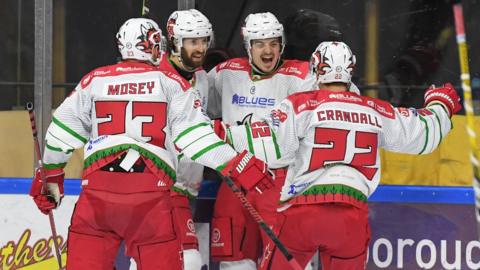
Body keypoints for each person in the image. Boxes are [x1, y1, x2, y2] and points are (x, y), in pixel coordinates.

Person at [28, 17, 273, 270]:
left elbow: (60, 134)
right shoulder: (171, 83)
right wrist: (237, 163)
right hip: (151, 197)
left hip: (97, 194)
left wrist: (51, 177)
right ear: (156, 46)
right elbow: (197, 138)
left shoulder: (94, 80)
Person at [223, 41, 461, 269]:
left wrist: (219, 133)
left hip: (302, 213)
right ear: (350, 69)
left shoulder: (301, 104)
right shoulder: (375, 109)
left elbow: (269, 146)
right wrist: (440, 105)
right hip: (351, 219)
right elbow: (424, 135)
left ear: (316, 67)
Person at [207, 12, 318, 270]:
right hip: (233, 179)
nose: (267, 50)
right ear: (249, 47)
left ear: (282, 45)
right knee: (233, 262)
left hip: (279, 181)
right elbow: (195, 105)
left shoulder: (302, 76)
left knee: (288, 261)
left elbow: (343, 95)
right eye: (260, 44)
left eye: (273, 43)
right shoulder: (226, 73)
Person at [164, 9, 213, 270]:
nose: (201, 48)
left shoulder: (202, 78)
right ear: (175, 42)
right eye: (193, 41)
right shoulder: (156, 76)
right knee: (187, 258)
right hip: (160, 187)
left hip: (188, 188)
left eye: (204, 41)